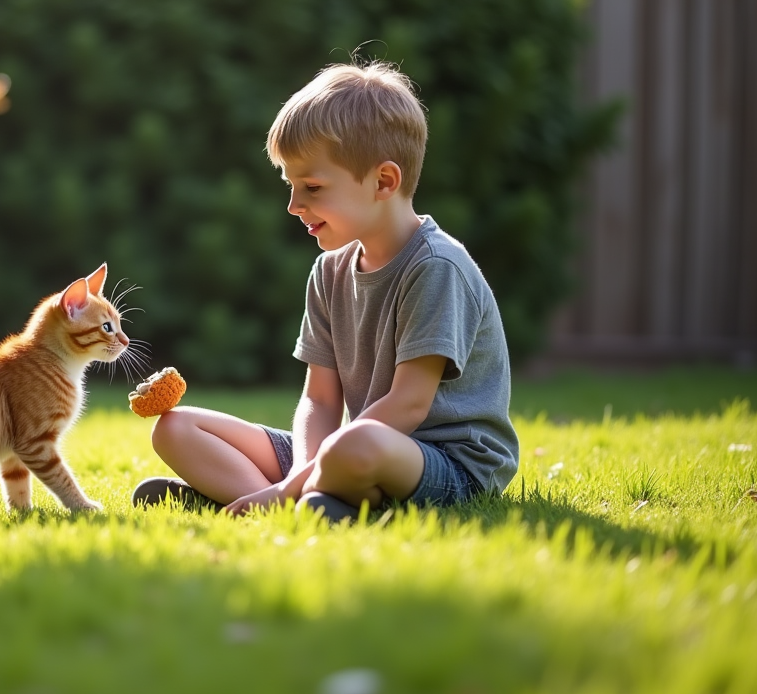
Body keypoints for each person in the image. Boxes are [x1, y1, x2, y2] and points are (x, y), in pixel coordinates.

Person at [132, 62, 519, 522]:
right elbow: (320, 399)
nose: (294, 206)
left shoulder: (436, 267)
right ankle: (298, 505)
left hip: (445, 465)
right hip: (345, 451)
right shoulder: (329, 271)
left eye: (312, 187)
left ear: (384, 181)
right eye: (291, 186)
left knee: (353, 444)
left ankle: (274, 500)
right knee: (175, 427)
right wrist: (301, 470)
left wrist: (295, 480)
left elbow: (409, 404)